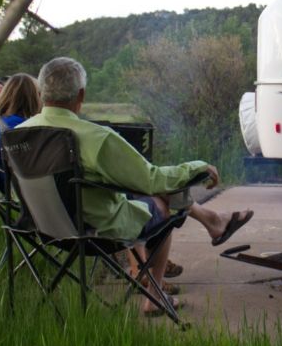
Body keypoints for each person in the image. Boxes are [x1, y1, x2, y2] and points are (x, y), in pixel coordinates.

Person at [21, 57, 253, 316]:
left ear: (41, 93)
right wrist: (197, 167)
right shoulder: (94, 137)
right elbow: (150, 179)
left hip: (41, 230)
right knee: (164, 203)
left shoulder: (18, 135)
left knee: (141, 192)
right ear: (81, 94)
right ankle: (153, 297)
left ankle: (213, 223)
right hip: (95, 232)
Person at [0, 73, 42, 190]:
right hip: (25, 189)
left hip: (9, 184)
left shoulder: (0, 122)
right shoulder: (20, 126)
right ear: (34, 97)